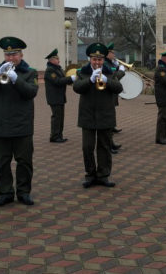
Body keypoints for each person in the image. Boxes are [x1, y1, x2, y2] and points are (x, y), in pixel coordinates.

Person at [0, 37, 39, 206]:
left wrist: (16, 79)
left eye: (14, 55)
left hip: (22, 125)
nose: (10, 58)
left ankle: (23, 192)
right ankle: (5, 193)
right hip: (0, 124)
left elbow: (31, 92)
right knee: (1, 163)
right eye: (7, 55)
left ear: (21, 55)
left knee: (24, 162)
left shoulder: (30, 72)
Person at [73, 43, 123, 188]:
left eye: (100, 60)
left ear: (103, 60)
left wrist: (107, 81)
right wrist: (89, 80)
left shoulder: (109, 72)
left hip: (105, 115)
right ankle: (90, 175)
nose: (97, 63)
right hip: (87, 115)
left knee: (104, 147)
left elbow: (119, 88)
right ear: (90, 59)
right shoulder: (82, 72)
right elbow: (76, 88)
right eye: (94, 60)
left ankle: (103, 175)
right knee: (87, 147)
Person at [44, 49, 75, 143]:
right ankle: (54, 136)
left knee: (60, 117)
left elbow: (63, 79)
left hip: (60, 97)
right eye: (57, 59)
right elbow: (57, 81)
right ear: (51, 60)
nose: (59, 60)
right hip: (54, 98)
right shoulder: (50, 70)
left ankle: (59, 135)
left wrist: (70, 79)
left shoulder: (58, 69)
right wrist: (71, 78)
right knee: (57, 117)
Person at [104, 42, 124, 152]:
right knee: (107, 120)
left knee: (110, 118)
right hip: (108, 95)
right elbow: (114, 78)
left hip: (112, 94)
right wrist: (121, 71)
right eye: (112, 53)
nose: (114, 55)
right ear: (108, 54)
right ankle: (109, 145)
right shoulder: (106, 65)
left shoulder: (110, 63)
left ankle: (111, 143)